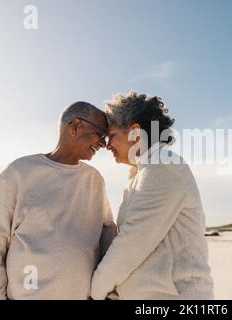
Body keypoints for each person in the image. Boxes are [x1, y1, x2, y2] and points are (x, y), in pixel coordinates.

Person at [0, 101, 117, 299]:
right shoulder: (19, 173)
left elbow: (108, 234)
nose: (103, 144)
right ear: (75, 125)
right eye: (100, 134)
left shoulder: (95, 180)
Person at [90, 92, 214, 300]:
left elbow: (132, 242)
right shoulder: (142, 173)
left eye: (112, 135)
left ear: (135, 133)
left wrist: (95, 291)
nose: (107, 145)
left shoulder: (163, 166)